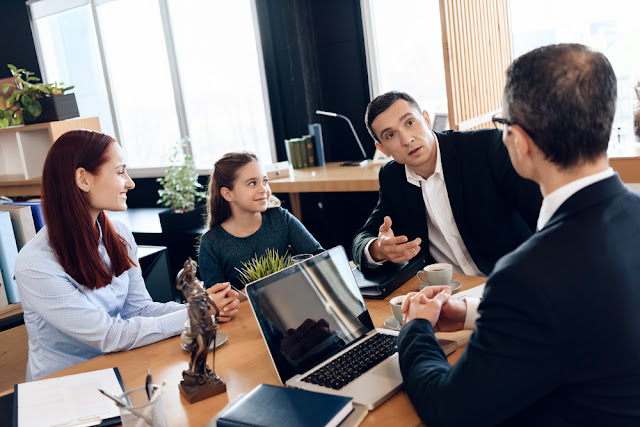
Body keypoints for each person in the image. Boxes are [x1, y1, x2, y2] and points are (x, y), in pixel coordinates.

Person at [399, 43, 640, 426]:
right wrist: (474, 313)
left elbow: (450, 411)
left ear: (520, 141)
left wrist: (415, 328)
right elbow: (586, 314)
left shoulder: (527, 275)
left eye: (503, 125)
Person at [14, 130, 237, 381]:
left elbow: (139, 309)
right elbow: (110, 335)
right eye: (120, 172)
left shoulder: (118, 235)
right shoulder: (36, 264)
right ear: (83, 179)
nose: (130, 183)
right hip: (64, 388)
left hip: (120, 367)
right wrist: (197, 313)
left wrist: (201, 308)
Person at [352, 91, 542, 278]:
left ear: (426, 120)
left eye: (410, 123)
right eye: (390, 135)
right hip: (447, 289)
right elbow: (362, 238)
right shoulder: (392, 177)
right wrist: (377, 249)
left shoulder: (486, 147)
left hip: (513, 279)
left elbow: (544, 214)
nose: (407, 140)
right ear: (382, 149)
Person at [198, 152, 323, 291]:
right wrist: (256, 290)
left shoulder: (281, 218)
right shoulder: (211, 243)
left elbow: (321, 258)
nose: (263, 189)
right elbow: (218, 298)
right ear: (228, 194)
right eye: (252, 183)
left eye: (265, 181)